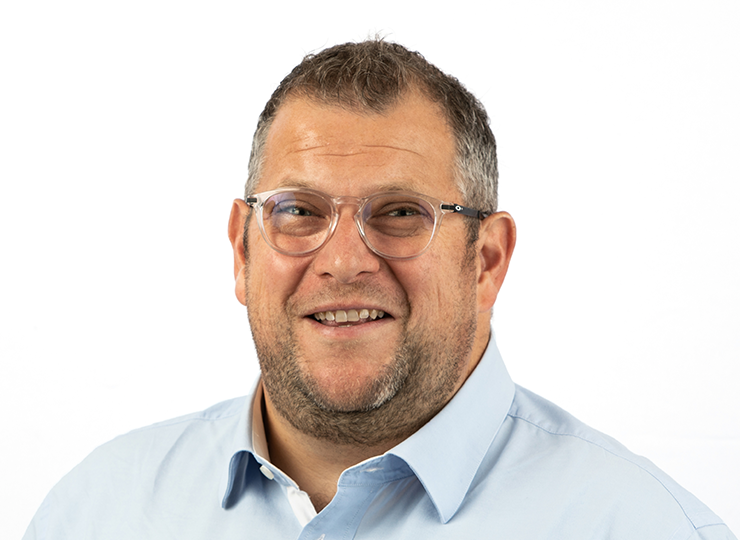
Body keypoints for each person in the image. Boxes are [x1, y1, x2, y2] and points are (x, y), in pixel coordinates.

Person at [23, 39, 735, 540]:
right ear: (241, 251)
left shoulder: (646, 528)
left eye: (399, 214)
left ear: (486, 260)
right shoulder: (94, 512)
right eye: (298, 211)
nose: (342, 261)